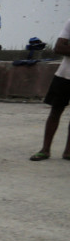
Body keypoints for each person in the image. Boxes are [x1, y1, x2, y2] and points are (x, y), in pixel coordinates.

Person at [29, 18, 70, 161]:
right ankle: (45, 150)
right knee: (55, 111)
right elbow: (59, 47)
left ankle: (68, 151)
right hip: (65, 75)